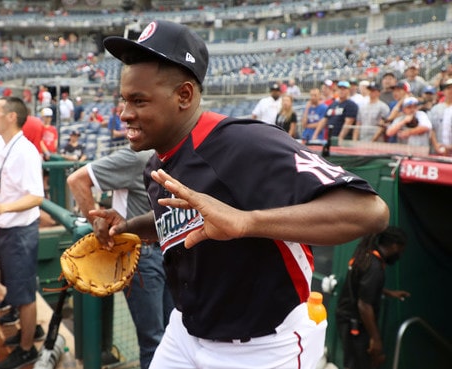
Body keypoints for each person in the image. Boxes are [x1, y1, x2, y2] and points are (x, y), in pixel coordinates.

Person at [91, 20, 389, 369]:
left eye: (139, 101)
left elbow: (370, 211)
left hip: (262, 347)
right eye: (124, 100)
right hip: (184, 333)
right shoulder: (157, 162)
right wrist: (125, 227)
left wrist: (247, 221)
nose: (125, 114)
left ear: (184, 95)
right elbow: (180, 223)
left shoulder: (245, 143)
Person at [66, 148, 173, 369]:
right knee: (153, 340)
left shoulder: (177, 154)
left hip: (171, 249)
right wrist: (96, 223)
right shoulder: (138, 156)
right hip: (141, 256)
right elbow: (77, 180)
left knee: (174, 334)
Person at [0, 96, 45, 369]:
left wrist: (3, 206)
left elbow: (36, 196)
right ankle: (25, 336)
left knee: (25, 295)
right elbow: (11, 187)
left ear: (10, 117)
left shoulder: (24, 151)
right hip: (10, 229)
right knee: (18, 292)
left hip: (19, 232)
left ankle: (28, 349)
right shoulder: (9, 147)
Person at [336, 226, 409, 369]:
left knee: (353, 361)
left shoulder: (365, 255)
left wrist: (389, 293)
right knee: (357, 365)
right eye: (401, 250)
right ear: (395, 246)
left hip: (346, 318)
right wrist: (376, 339)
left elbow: (363, 288)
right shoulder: (374, 267)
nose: (400, 254)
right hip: (354, 324)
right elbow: (364, 305)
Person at [429, 78, 452, 155]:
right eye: (448, 88)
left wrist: (449, 147)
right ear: (444, 91)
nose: (451, 91)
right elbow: (431, 129)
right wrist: (436, 145)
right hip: (438, 149)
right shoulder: (436, 108)